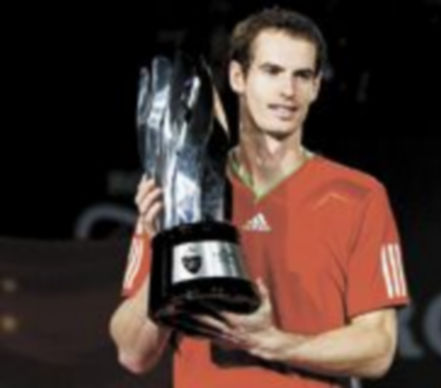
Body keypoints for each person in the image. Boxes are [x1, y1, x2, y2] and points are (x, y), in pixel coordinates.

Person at [110, 7, 409, 388]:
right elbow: (132, 354)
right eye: (271, 72)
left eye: (302, 76)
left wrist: (272, 343)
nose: (288, 91)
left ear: (316, 86)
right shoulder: (184, 192)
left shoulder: (359, 195)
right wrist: (170, 243)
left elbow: (378, 348)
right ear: (238, 76)